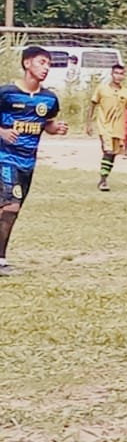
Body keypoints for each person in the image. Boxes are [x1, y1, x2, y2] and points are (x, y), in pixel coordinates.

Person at [0, 46, 68, 275]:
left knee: (10, 211)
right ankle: (0, 262)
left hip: (28, 164)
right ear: (27, 64)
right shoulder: (6, 93)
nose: (46, 68)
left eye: (48, 64)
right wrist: (2, 132)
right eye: (41, 62)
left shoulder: (48, 99)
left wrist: (54, 128)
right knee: (11, 207)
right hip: (5, 159)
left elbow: (46, 123)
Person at [91, 62, 127, 192]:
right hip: (104, 125)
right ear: (111, 74)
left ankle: (104, 175)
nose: (118, 76)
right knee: (108, 151)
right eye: (116, 73)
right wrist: (89, 123)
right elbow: (92, 104)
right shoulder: (101, 89)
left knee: (113, 154)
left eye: (121, 74)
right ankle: (103, 180)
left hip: (118, 128)